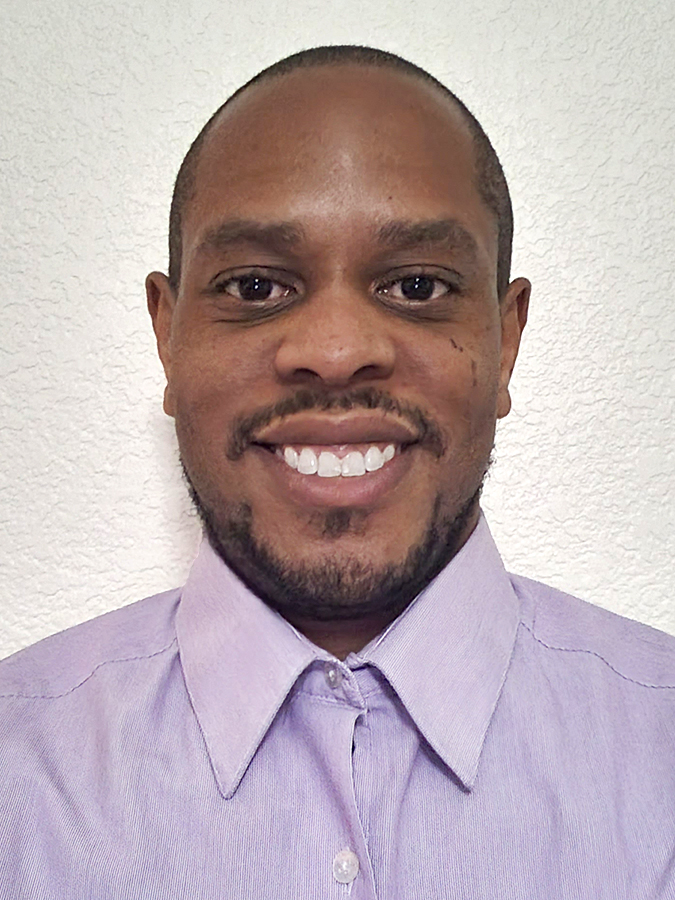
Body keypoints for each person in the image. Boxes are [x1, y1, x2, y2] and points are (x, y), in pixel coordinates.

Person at [1, 45, 674, 899]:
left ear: (505, 341)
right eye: (254, 286)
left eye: (417, 286)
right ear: (167, 336)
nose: (334, 349)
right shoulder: (19, 773)